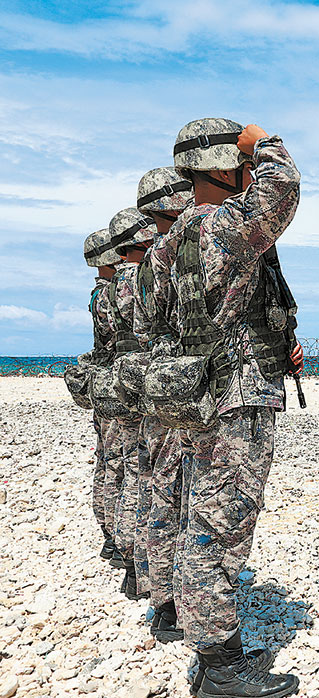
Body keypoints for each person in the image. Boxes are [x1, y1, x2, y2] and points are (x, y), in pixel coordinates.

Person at [161, 117, 302, 698]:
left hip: (194, 392)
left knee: (202, 515)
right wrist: (264, 140)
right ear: (222, 167)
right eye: (239, 162)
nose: (247, 171)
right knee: (221, 523)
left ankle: (205, 640)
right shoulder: (222, 224)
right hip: (235, 392)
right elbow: (283, 189)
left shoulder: (171, 241)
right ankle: (218, 664)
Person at [132, 166, 193, 642]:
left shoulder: (150, 260)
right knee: (187, 499)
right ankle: (184, 611)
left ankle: (164, 603)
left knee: (161, 494)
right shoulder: (182, 245)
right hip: (190, 388)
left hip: (161, 386)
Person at [106, 207, 158, 601]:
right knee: (145, 479)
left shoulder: (107, 289)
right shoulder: (138, 279)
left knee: (123, 469)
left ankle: (129, 560)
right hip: (145, 385)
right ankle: (140, 569)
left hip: (121, 382)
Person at [84, 227, 123, 564]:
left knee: (110, 462)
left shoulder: (101, 294)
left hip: (104, 386)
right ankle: (118, 539)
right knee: (122, 466)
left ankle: (112, 536)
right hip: (115, 388)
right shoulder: (112, 295)